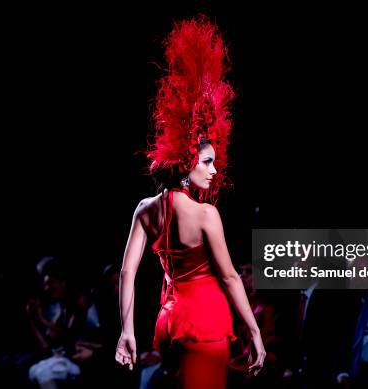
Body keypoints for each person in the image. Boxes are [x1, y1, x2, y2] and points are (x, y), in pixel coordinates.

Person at [114, 17, 266, 389]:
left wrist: (126, 332)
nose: (214, 170)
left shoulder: (145, 209)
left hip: (168, 324)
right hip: (205, 326)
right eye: (207, 162)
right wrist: (255, 331)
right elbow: (231, 277)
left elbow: (126, 273)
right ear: (186, 160)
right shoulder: (205, 214)